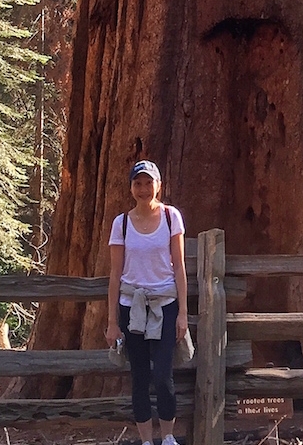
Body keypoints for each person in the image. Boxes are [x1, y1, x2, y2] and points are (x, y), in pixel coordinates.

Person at [106, 160, 188, 445]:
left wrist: (183, 314)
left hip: (165, 305)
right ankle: (145, 440)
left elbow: (179, 266)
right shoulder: (122, 223)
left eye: (148, 183)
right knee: (139, 376)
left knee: (164, 375)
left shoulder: (170, 217)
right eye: (138, 183)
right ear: (131, 187)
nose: (143, 189)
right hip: (132, 307)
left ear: (158, 185)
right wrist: (112, 322)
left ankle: (167, 437)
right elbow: (115, 274)